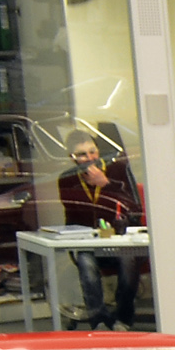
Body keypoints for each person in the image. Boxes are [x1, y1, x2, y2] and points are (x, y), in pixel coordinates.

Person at [55, 134, 147, 326]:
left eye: (93, 151)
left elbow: (134, 207)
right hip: (90, 243)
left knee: (128, 260)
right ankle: (98, 320)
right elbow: (72, 216)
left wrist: (106, 185)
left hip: (121, 241)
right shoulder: (66, 179)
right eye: (82, 154)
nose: (90, 158)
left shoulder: (118, 169)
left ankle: (123, 317)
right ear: (72, 157)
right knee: (86, 263)